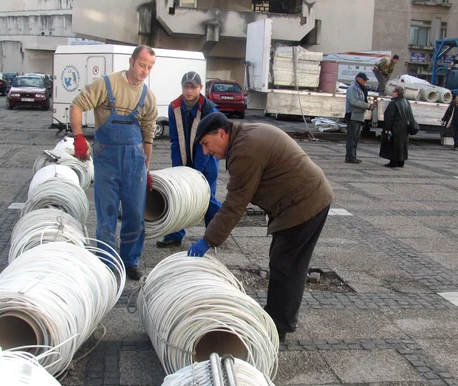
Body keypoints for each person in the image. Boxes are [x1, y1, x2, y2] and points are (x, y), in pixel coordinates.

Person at [186, 112, 334, 342]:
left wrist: (208, 240)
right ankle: (276, 319)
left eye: (206, 143)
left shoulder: (244, 151)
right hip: (299, 200)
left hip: (305, 203)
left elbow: (235, 204)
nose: (206, 151)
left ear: (222, 133)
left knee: (287, 265)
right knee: (282, 262)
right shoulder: (243, 138)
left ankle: (278, 328)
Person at [69, 45, 158, 280]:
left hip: (135, 165)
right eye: (141, 65)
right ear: (131, 62)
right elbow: (77, 105)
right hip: (107, 161)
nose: (144, 71)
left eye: (149, 67)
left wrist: (146, 168)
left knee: (135, 214)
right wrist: (78, 137)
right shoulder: (107, 84)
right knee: (106, 212)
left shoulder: (148, 96)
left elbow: (148, 135)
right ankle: (106, 262)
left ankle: (130, 261)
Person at [156, 71, 221, 248]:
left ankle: (214, 236)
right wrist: (178, 168)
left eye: (193, 87)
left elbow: (206, 142)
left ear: (200, 88)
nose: (189, 90)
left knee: (207, 198)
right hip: (184, 159)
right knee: (179, 195)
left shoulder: (208, 108)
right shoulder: (174, 107)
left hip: (207, 161)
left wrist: (196, 171)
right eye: (186, 86)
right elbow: (175, 139)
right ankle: (175, 235)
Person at [380, 86, 414, 168]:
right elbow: (410, 115)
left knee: (393, 144)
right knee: (402, 144)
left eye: (393, 91)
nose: (392, 92)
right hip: (404, 127)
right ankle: (401, 161)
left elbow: (389, 117)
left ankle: (393, 162)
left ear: (396, 93)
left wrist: (387, 129)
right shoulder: (406, 102)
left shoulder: (393, 103)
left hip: (395, 127)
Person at [345, 72, 374, 164]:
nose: (365, 82)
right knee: (352, 137)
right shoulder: (352, 88)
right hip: (353, 115)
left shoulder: (360, 88)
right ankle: (350, 157)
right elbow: (353, 101)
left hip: (358, 115)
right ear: (358, 79)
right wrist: (367, 106)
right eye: (363, 80)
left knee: (356, 137)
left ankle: (353, 155)